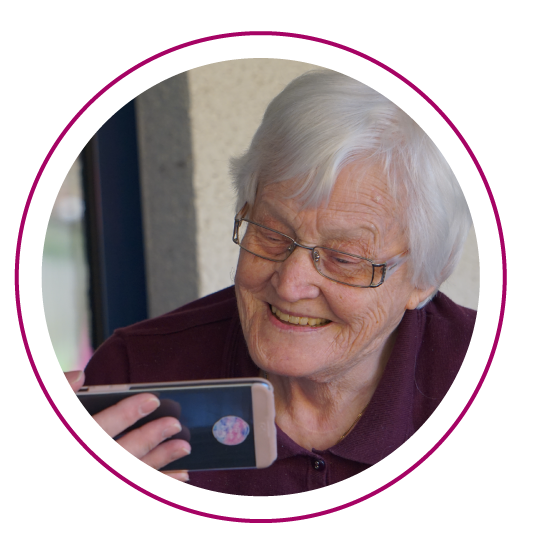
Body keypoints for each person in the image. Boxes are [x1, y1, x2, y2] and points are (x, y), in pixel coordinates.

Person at [66, 70, 477, 496]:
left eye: (345, 258)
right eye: (272, 234)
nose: (289, 284)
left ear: (424, 280)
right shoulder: (138, 373)